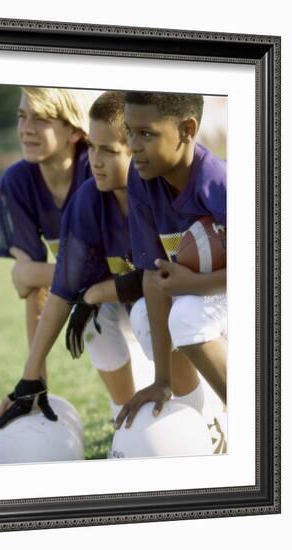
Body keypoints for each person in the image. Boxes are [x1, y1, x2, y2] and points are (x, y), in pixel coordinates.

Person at [0, 91, 201, 431]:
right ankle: (125, 419)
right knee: (96, 322)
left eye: (108, 150)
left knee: (148, 314)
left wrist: (94, 291)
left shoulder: (157, 187)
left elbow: (158, 276)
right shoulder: (88, 199)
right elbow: (58, 290)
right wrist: (31, 378)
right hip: (130, 297)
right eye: (93, 148)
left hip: (193, 299)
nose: (95, 160)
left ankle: (202, 416)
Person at [115, 91, 227, 434]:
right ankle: (206, 425)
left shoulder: (219, 183)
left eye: (146, 133)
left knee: (186, 316)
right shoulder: (142, 179)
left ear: (187, 129)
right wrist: (160, 379)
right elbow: (152, 274)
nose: (133, 145)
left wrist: (191, 285)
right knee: (144, 317)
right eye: (129, 131)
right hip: (211, 295)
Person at [0, 87, 93, 384]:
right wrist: (35, 378)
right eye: (22, 116)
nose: (26, 129)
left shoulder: (98, 169)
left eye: (41, 119)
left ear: (74, 131)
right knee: (93, 320)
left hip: (136, 290)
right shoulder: (16, 182)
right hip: (93, 295)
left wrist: (37, 273)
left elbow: (31, 274)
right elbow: (31, 288)